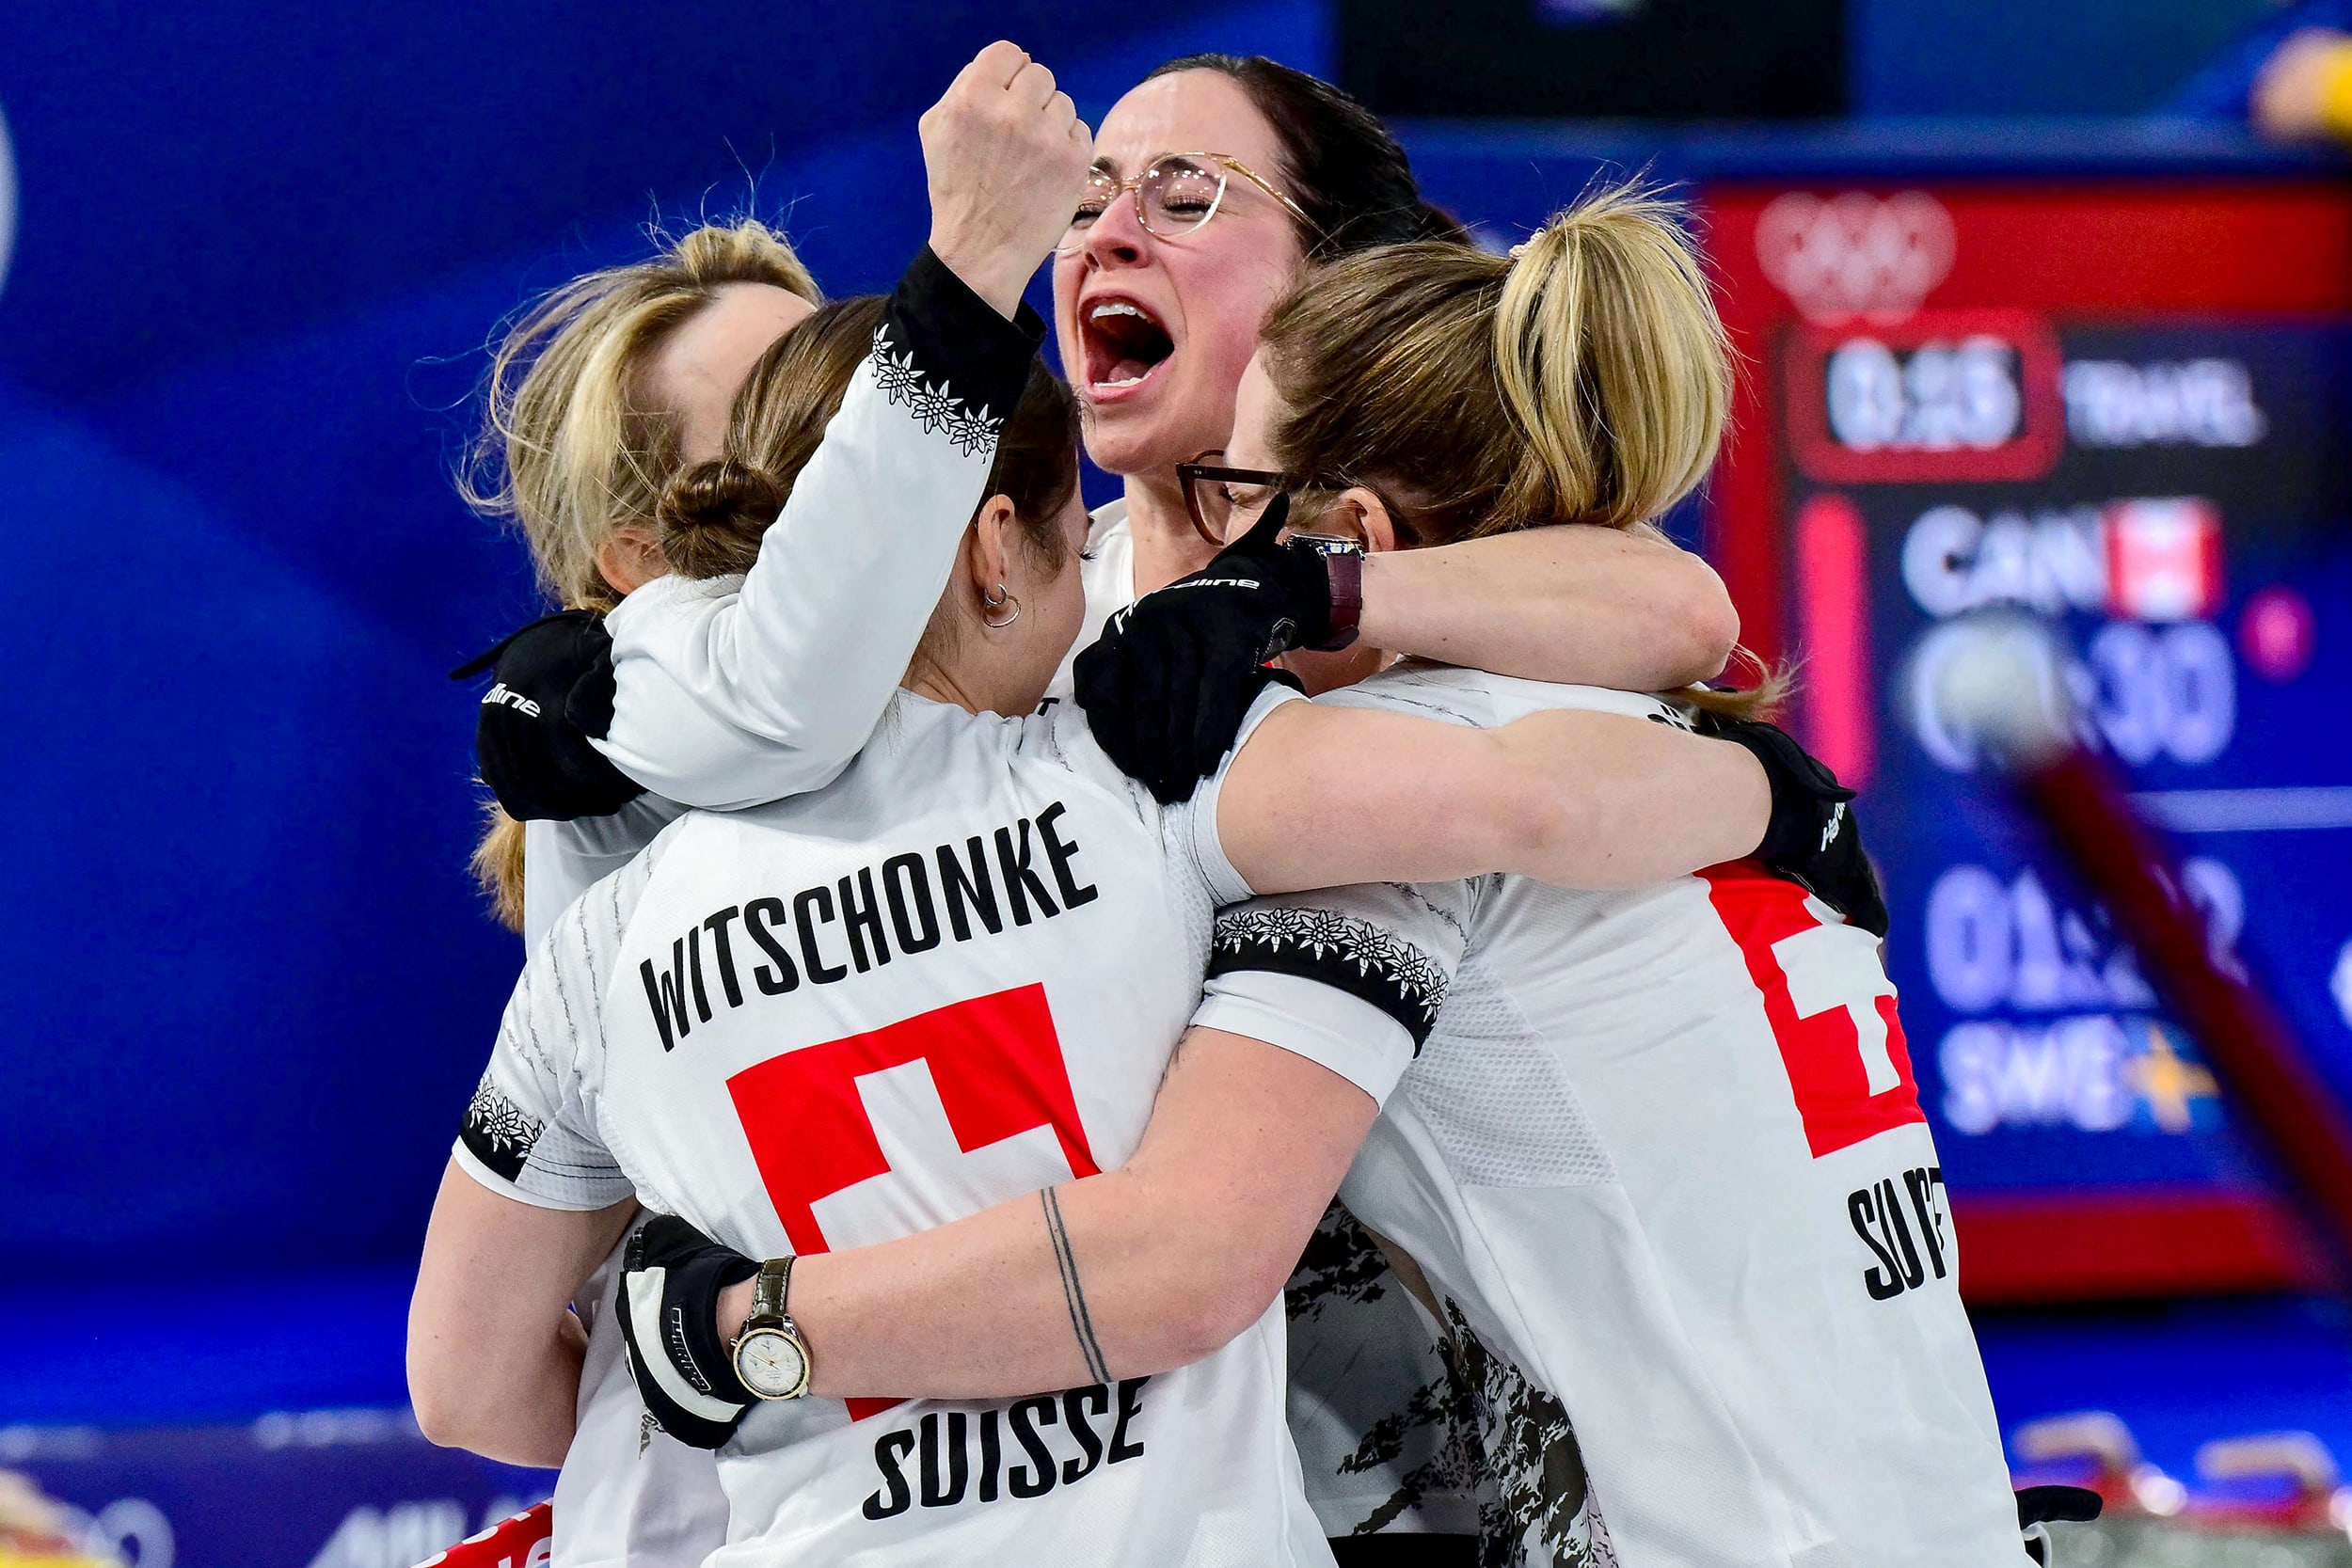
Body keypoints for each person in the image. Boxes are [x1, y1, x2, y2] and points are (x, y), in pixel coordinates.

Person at [604, 186, 2022, 1568]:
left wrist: (733, 1327)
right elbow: (1672, 621)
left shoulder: (1384, 814)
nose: (1202, 544)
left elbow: (1180, 1259)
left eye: (1235, 492)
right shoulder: (1652, 718)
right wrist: (1774, 789)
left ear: (1357, 532)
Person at [409, 282, 1784, 1564]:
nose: (1091, 592)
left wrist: (736, 1374)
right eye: (1077, 548)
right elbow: (1536, 796)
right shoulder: (1142, 774)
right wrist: (1776, 798)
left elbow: (462, 1381)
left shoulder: (598, 947)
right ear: (993, 547)